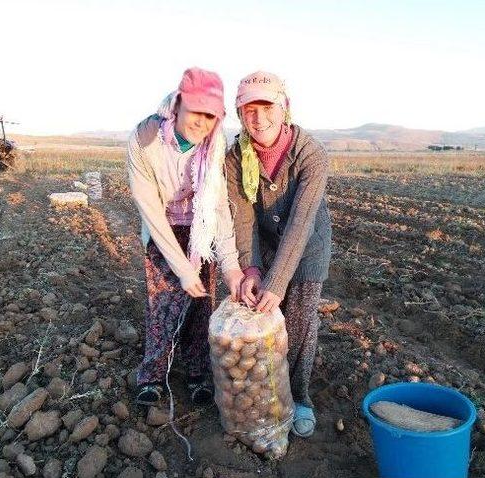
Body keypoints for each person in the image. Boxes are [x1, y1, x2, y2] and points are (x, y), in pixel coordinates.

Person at [126, 67, 244, 406]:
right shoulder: (145, 140)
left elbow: (218, 208)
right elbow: (150, 209)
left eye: (211, 116)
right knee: (162, 303)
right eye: (197, 112)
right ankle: (152, 375)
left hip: (200, 230)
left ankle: (197, 372)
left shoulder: (213, 146)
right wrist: (183, 269)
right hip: (163, 227)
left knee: (200, 305)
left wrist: (230, 266)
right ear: (178, 104)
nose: (202, 123)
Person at [225, 71, 332, 437]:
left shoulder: (310, 155)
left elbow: (302, 222)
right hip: (265, 242)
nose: (259, 118)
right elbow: (243, 216)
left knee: (299, 323)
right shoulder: (236, 157)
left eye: (266, 106)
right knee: (261, 316)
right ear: (240, 115)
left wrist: (278, 280)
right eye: (248, 110)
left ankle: (300, 397)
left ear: (284, 107)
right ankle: (267, 392)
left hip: (307, 248)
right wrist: (251, 268)